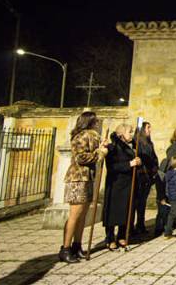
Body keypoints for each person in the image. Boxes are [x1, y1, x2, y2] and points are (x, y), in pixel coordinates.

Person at [60, 111, 109, 262]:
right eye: (96, 122)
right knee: (75, 215)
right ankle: (65, 247)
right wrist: (99, 153)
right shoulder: (81, 136)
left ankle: (77, 245)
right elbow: (80, 157)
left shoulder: (92, 136)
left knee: (83, 215)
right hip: (78, 178)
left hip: (89, 177)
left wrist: (101, 148)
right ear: (90, 122)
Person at [102, 124, 141, 250]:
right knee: (113, 211)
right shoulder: (112, 147)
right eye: (129, 132)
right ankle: (110, 238)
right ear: (121, 134)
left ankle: (121, 235)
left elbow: (135, 162)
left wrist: (138, 162)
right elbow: (112, 167)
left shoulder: (133, 146)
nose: (131, 134)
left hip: (128, 183)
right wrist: (130, 164)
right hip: (116, 184)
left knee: (126, 211)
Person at [133, 121, 158, 235]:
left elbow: (153, 157)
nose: (150, 130)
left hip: (147, 175)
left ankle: (140, 224)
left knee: (142, 202)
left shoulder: (149, 143)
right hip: (140, 175)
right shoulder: (136, 142)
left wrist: (154, 168)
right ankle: (132, 227)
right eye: (148, 128)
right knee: (136, 202)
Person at [153, 156, 170, 237]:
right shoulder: (159, 177)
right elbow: (159, 189)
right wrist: (162, 198)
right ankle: (158, 229)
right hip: (161, 198)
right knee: (161, 214)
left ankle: (165, 227)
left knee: (166, 213)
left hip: (166, 197)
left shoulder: (165, 176)